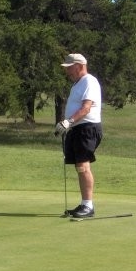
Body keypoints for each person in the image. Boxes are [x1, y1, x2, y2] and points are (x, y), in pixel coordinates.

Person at [54, 53, 103, 219]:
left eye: (70, 68)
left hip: (87, 128)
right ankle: (84, 204)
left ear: (80, 66)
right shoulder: (77, 84)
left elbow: (86, 108)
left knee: (83, 166)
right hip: (78, 129)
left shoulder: (89, 81)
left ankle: (88, 206)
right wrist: (67, 125)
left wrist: (68, 121)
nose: (67, 71)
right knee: (79, 166)